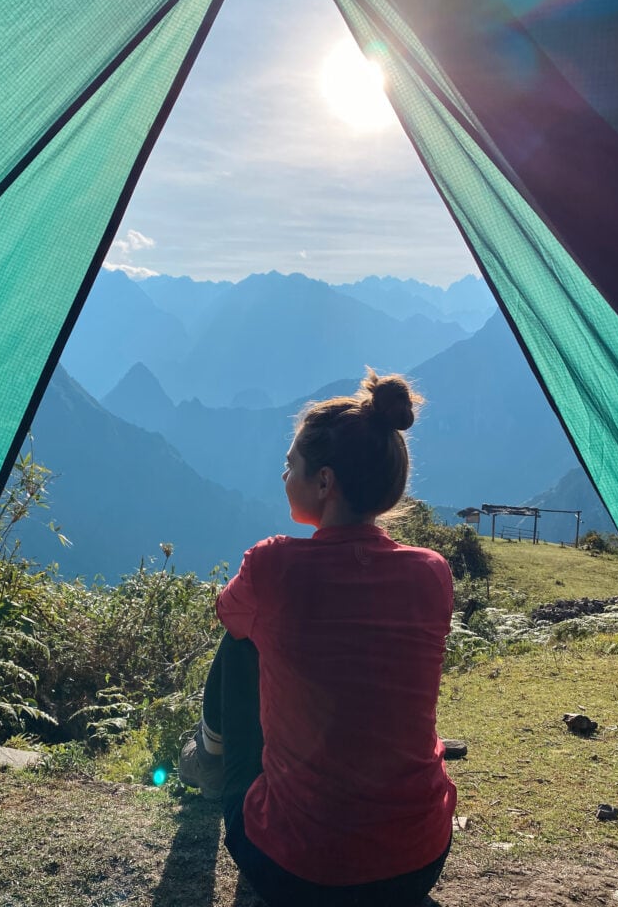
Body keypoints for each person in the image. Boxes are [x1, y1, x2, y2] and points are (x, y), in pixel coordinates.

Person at [179, 369, 456, 906]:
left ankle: (206, 754)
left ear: (324, 482)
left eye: (291, 466)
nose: (283, 476)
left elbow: (225, 613)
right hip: (417, 861)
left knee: (241, 640)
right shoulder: (432, 572)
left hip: (295, 870)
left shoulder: (273, 565)